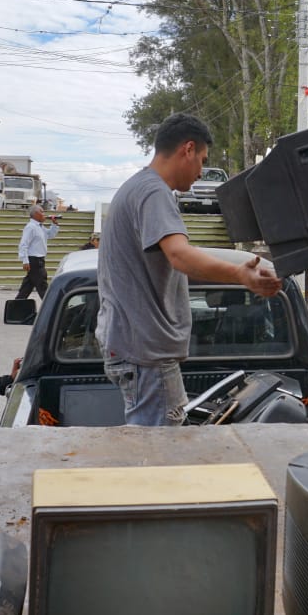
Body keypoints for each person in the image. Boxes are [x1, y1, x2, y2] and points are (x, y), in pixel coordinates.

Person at [95, 113, 281, 425]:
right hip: (147, 353)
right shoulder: (154, 192)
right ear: (188, 149)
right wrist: (239, 275)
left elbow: (177, 262)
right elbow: (180, 255)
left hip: (135, 348)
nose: (201, 172)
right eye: (203, 160)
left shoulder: (137, 188)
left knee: (150, 448)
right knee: (158, 459)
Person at [15, 204, 59, 301]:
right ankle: (51, 309)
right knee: (43, 287)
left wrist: (54, 224)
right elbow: (23, 244)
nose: (44, 214)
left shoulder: (40, 227)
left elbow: (50, 235)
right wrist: (25, 261)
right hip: (34, 261)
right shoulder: (31, 227)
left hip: (39, 260)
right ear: (35, 214)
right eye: (42, 212)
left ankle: (15, 308)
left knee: (26, 288)